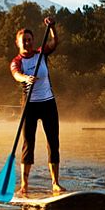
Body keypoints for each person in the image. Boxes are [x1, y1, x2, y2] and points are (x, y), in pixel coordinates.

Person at [10, 16, 66, 194]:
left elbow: (55, 41)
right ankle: (25, 185)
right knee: (28, 144)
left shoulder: (41, 53)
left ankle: (55, 183)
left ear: (32, 41)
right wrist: (26, 78)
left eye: (29, 40)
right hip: (30, 107)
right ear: (18, 43)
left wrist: (52, 27)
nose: (26, 43)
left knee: (53, 143)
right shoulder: (17, 61)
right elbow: (16, 74)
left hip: (48, 103)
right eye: (23, 41)